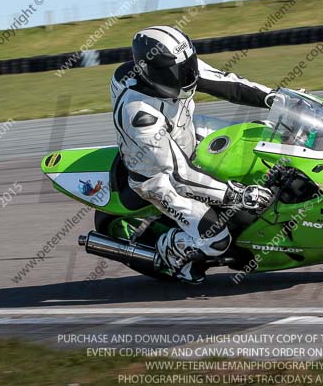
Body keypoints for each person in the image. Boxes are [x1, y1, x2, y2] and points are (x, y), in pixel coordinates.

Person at [110, 25, 275, 283]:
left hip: (185, 134)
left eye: (189, 66)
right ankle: (171, 249)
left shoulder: (183, 67)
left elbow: (230, 84)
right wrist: (237, 194)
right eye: (179, 71)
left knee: (260, 135)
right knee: (217, 239)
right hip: (157, 176)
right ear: (152, 72)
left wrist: (275, 98)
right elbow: (179, 176)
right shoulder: (139, 113)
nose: (188, 76)